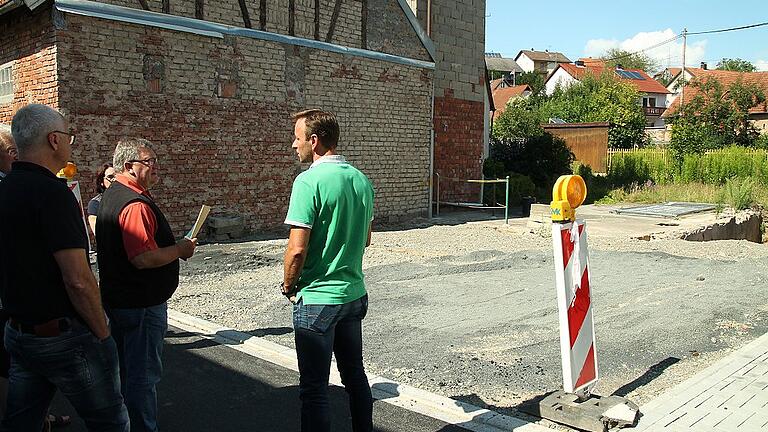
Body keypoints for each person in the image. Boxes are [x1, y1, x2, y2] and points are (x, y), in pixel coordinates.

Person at [0, 104, 129, 431]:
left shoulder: (6, 189)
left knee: (21, 422)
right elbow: (78, 279)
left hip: (18, 332)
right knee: (110, 421)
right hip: (64, 337)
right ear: (54, 140)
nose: (72, 144)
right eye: (69, 136)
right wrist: (103, 331)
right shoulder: (53, 194)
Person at [282, 109, 375, 432]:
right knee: (355, 376)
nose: (294, 145)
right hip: (353, 294)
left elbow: (296, 250)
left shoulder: (308, 181)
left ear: (315, 141)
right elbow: (365, 239)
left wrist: (288, 285)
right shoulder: (361, 180)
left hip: (318, 298)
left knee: (314, 390)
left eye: (297, 138)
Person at [96, 138, 196, 432]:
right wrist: (180, 249)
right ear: (128, 166)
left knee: (125, 372)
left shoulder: (113, 194)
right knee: (142, 376)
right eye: (149, 162)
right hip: (140, 306)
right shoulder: (134, 205)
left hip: (121, 300)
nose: (155, 168)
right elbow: (143, 257)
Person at [88, 163, 116, 236]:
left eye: (117, 176)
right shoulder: (96, 203)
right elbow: (98, 232)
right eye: (110, 177)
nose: (115, 180)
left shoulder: (127, 197)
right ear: (101, 182)